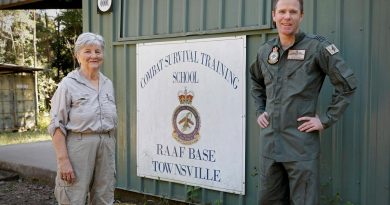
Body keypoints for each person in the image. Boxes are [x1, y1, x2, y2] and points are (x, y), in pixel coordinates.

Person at [250, 0, 357, 204]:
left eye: (293, 11)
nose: (287, 16)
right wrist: (259, 109)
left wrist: (325, 119)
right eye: (282, 11)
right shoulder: (265, 51)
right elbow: (255, 80)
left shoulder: (317, 47)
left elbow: (347, 84)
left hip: (301, 147)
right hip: (270, 146)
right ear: (274, 15)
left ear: (302, 15)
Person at [48, 32, 118, 205]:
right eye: (88, 51)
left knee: (104, 195)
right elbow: (57, 125)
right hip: (79, 146)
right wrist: (63, 161)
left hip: (107, 144)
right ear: (78, 55)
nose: (94, 55)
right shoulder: (68, 84)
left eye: (98, 51)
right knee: (73, 196)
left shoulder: (108, 83)